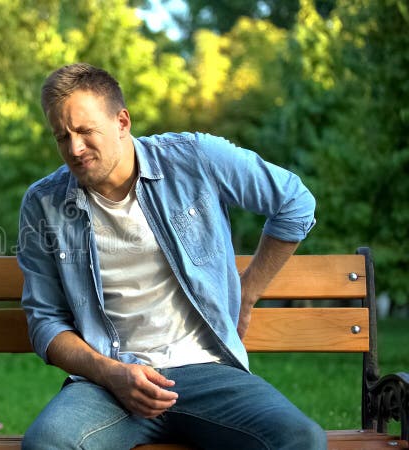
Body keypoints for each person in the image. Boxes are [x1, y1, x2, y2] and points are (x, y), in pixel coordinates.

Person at [16, 63, 325, 450]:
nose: (74, 149)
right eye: (62, 136)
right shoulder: (44, 203)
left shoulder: (193, 158)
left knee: (300, 439)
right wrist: (112, 374)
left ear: (122, 121)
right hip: (110, 384)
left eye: (85, 131)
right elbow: (46, 322)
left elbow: (295, 203)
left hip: (208, 370)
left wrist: (247, 293)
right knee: (46, 444)